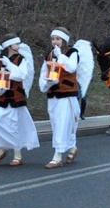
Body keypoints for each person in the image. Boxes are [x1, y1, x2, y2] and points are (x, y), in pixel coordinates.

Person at [39, 27, 93, 169]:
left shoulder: (72, 53)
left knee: (63, 125)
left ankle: (57, 156)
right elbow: (43, 72)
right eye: (53, 39)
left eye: (58, 39)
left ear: (64, 40)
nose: (55, 42)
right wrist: (46, 83)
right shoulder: (49, 55)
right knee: (57, 125)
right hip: (53, 95)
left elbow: (71, 67)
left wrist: (61, 56)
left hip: (67, 95)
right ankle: (72, 148)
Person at [0, 34, 40, 166]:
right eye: (16, 43)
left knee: (14, 125)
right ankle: (0, 149)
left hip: (16, 97)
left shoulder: (21, 59)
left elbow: (20, 75)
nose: (19, 45)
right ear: (10, 46)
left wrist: (9, 65)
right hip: (2, 96)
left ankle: (18, 155)